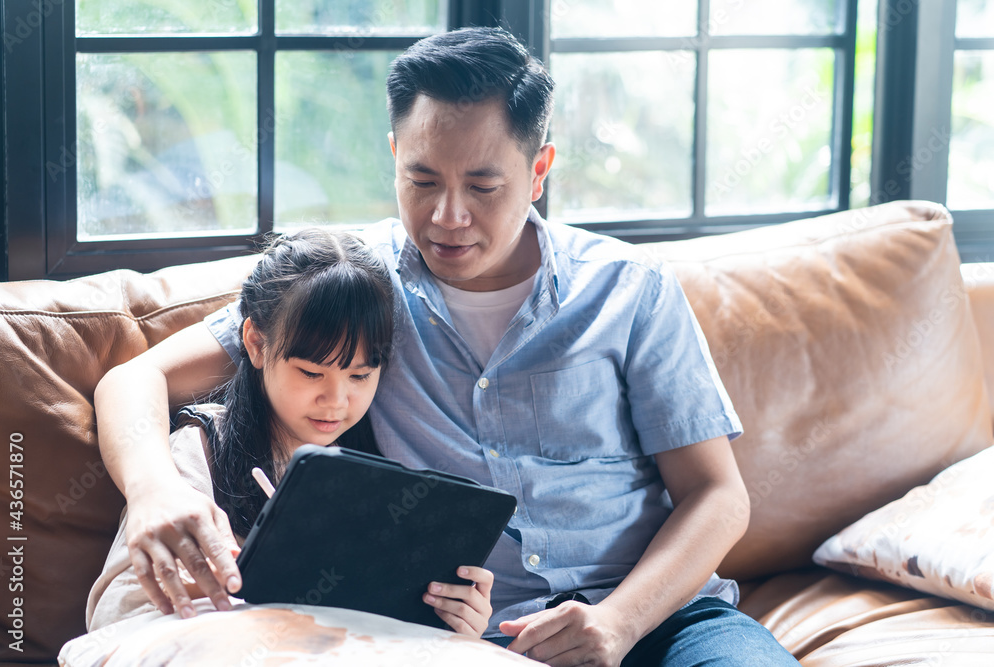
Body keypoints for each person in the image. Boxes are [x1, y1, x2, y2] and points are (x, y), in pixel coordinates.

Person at [94, 27, 800, 665]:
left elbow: (717, 495)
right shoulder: (354, 284)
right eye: (422, 180)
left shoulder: (631, 289)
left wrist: (617, 621)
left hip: (665, 619)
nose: (447, 217)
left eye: (484, 185)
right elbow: (134, 379)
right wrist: (154, 489)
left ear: (541, 168)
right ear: (395, 154)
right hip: (466, 639)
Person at [88, 229, 495, 638]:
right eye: (311, 372)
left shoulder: (382, 482)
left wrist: (454, 625)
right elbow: (120, 614)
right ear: (256, 344)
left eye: (360, 375)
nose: (336, 400)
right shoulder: (200, 449)